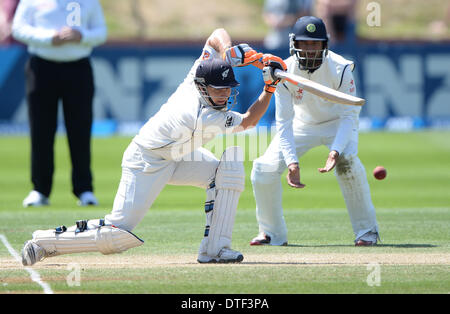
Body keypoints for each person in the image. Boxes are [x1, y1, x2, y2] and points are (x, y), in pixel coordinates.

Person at [21, 28, 287, 266]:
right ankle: (44, 242)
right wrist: (270, 85)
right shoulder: (201, 117)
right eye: (219, 90)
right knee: (118, 232)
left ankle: (215, 250)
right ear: (203, 87)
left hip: (179, 154)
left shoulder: (197, 73)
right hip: (147, 160)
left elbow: (215, 34)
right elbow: (250, 121)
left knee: (227, 170)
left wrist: (229, 52)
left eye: (228, 88)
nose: (225, 94)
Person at [250, 16, 380, 247]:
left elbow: (350, 115)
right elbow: (284, 122)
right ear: (294, 45)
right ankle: (272, 234)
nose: (310, 50)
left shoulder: (340, 68)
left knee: (348, 164)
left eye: (315, 44)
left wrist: (336, 151)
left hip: (337, 124)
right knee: (263, 168)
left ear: (325, 45)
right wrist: (292, 162)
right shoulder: (284, 71)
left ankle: (367, 232)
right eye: (305, 44)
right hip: (302, 125)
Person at [12, 0, 107, 207]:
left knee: (80, 129)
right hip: (41, 68)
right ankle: (40, 190)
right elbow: (17, 28)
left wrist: (82, 36)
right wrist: (48, 38)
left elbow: (101, 32)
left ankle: (84, 190)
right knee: (41, 130)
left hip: (78, 68)